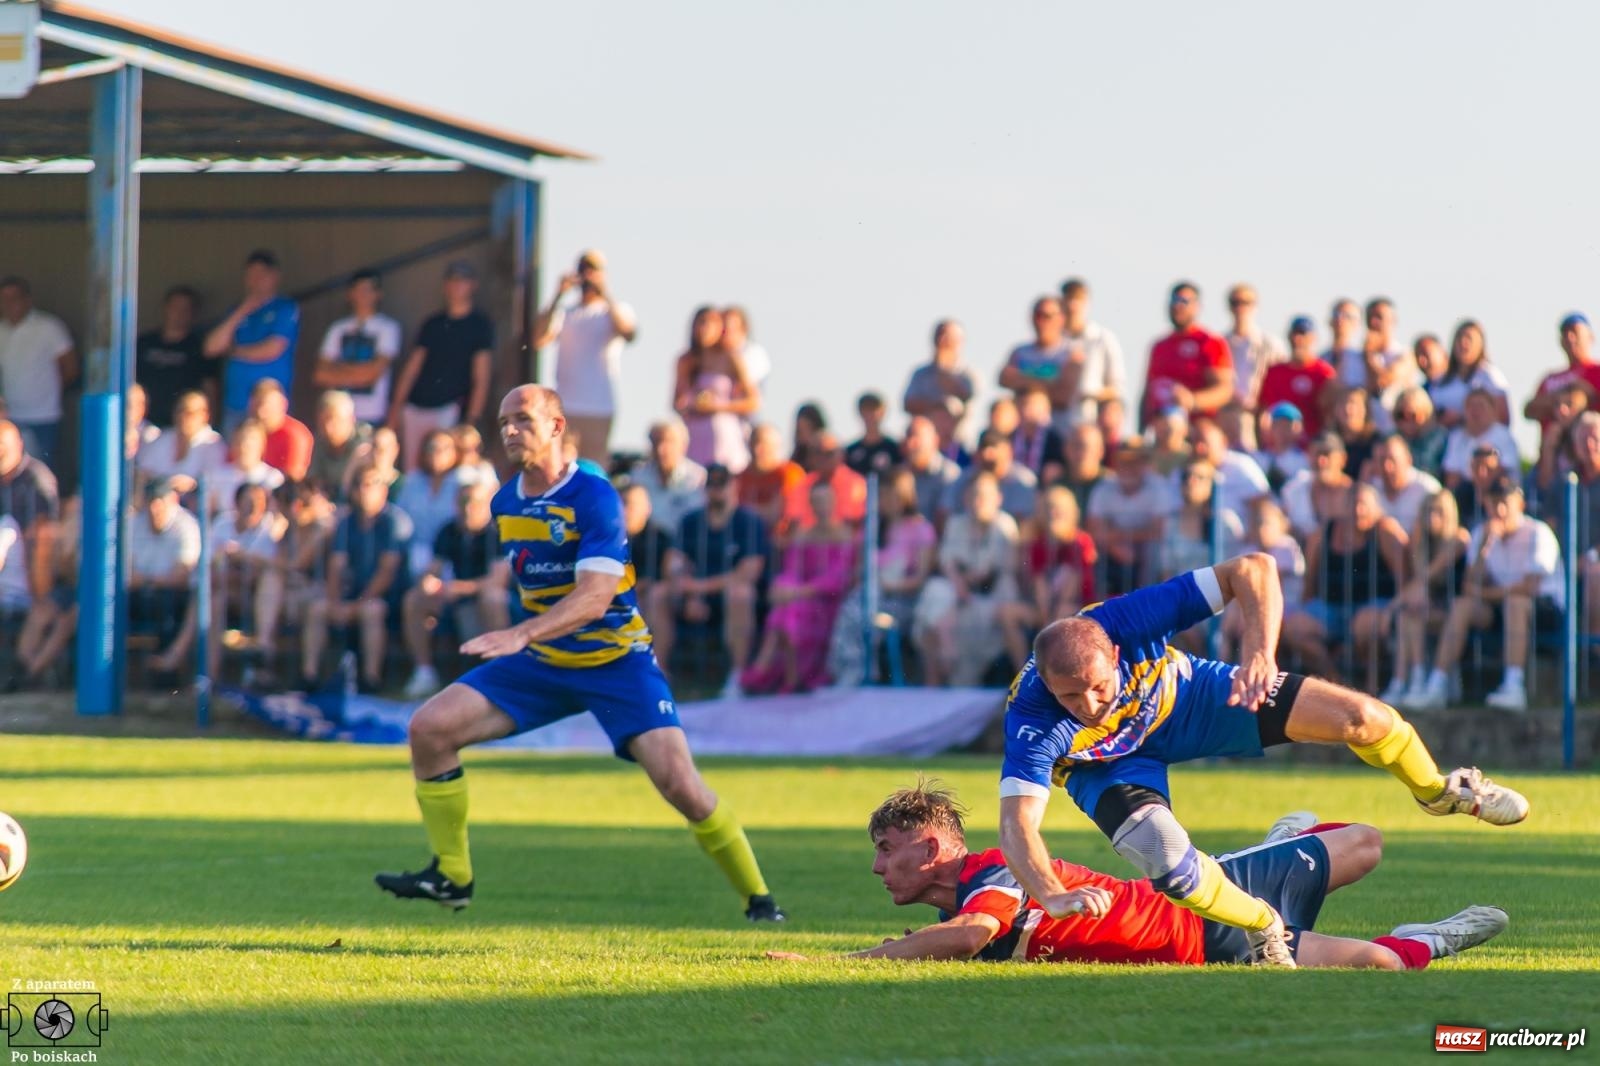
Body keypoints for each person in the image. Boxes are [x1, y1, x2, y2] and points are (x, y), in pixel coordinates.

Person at [374, 384, 785, 922]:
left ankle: (760, 901)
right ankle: (452, 876)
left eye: (523, 419)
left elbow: (595, 597)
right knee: (429, 729)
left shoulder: (592, 494)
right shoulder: (505, 500)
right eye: (503, 422)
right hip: (545, 662)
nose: (510, 430)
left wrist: (521, 634)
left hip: (616, 662)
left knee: (680, 786)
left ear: (557, 426)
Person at [997, 553, 1528, 968]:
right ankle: (1263, 924)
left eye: (1098, 686)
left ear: (1115, 653)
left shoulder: (1125, 620)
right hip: (1105, 767)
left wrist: (1259, 652)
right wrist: (1050, 893)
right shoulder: (1032, 718)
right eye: (1071, 698)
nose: (1091, 706)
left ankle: (1439, 792)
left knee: (1365, 718)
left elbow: (1253, 568)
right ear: (1047, 685)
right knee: (1170, 867)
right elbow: (1017, 824)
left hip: (1185, 703)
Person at [767, 781, 1507, 969]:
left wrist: (851, 959)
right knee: (1379, 962)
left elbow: (974, 935)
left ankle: (1281, 841)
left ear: (930, 849)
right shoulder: (953, 906)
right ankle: (1433, 939)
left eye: (886, 849)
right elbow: (956, 937)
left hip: (1214, 902)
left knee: (1367, 842)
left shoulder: (993, 870)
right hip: (1215, 946)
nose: (874, 866)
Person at [1409, 476, 1564, 712]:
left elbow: (1530, 588)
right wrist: (1484, 546)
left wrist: (1487, 593)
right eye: (1494, 502)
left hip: (1544, 611)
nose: (1499, 509)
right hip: (1501, 606)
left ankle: (1514, 687)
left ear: (1520, 504)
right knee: (1462, 606)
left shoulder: (1538, 532)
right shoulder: (1482, 533)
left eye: (1505, 502)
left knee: (1516, 602)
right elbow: (1469, 585)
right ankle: (1436, 686)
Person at [652, 464, 768, 695]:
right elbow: (672, 564)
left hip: (729, 598)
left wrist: (699, 588)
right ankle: (659, 675)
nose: (717, 490)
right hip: (691, 595)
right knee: (658, 594)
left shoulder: (748, 521)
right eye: (711, 485)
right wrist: (690, 596)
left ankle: (737, 677)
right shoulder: (691, 521)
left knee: (740, 593)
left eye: (722, 484)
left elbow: (748, 572)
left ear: (734, 486)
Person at [301, 463, 413, 692]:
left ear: (383, 490)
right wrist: (335, 603)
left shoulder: (394, 522)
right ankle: (309, 677)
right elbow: (336, 566)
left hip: (387, 598)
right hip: (351, 596)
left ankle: (371, 679)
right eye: (361, 485)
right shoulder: (346, 522)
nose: (365, 490)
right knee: (318, 609)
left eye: (372, 485)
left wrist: (357, 604)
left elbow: (387, 572)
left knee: (372, 610)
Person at [1282, 483, 1407, 688]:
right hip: (1329, 608)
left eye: (1364, 505)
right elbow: (1309, 582)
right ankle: (1336, 684)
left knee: (1365, 625)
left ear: (1377, 507)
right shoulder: (1323, 533)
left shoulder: (1386, 531)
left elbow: (1404, 580)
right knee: (1295, 629)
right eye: (1352, 504)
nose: (1358, 511)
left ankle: (1371, 687)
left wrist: (1392, 611)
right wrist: (1306, 611)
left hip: (1375, 606)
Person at [740, 481, 856, 695]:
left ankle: (764, 668)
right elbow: (791, 571)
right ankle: (791, 677)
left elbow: (836, 581)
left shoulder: (846, 537)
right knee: (787, 610)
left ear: (834, 502)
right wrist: (783, 588)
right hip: (801, 600)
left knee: (788, 610)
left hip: (828, 604)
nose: (821, 506)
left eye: (825, 501)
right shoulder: (804, 536)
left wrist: (797, 592)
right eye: (817, 501)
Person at [400, 479, 510, 699]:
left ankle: (502, 675)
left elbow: (498, 581)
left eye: (474, 502)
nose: (467, 508)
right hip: (456, 601)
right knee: (415, 598)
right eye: (463, 502)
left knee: (492, 598)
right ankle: (424, 672)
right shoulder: (449, 530)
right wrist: (428, 581)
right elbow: (434, 568)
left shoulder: (498, 531)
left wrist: (459, 588)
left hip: (495, 605)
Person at [914, 472, 1018, 687]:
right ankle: (942, 655)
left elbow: (990, 574)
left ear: (997, 498)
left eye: (983, 496)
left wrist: (964, 582)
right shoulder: (957, 523)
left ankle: (947, 668)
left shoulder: (1004, 526)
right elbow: (947, 560)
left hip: (991, 596)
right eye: (973, 495)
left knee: (951, 619)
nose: (977, 501)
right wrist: (959, 583)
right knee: (936, 591)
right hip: (960, 595)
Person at [532, 250, 637, 463]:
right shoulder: (565, 313)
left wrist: (605, 292)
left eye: (593, 270)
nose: (588, 276)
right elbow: (538, 339)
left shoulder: (614, 311)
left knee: (593, 468)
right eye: (584, 270)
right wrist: (557, 295)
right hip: (566, 405)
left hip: (598, 406)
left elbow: (629, 333)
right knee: (559, 465)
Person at [388, 261, 493, 471]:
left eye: (462, 281)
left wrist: (471, 421)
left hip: (450, 409)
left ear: (473, 285)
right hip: (416, 407)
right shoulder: (432, 323)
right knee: (413, 470)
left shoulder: (480, 325)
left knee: (445, 469)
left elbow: (481, 376)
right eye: (453, 280)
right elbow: (412, 369)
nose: (457, 286)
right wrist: (395, 409)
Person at [999, 486, 1095, 672]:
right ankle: (1025, 673)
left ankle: (1050, 673)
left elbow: (1072, 586)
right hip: (1047, 608)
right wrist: (1045, 615)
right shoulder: (1039, 544)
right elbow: (1039, 583)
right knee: (1007, 613)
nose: (1053, 513)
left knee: (1060, 615)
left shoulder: (1080, 542)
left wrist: (1051, 616)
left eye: (1058, 508)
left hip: (1077, 606)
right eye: (1049, 507)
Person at [1387, 489, 1470, 707]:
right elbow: (1420, 587)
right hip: (1432, 608)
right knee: (1409, 615)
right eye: (1428, 512)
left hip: (1457, 610)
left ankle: (1417, 679)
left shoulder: (1459, 539)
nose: (1432, 517)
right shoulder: (1423, 545)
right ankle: (1406, 680)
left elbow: (1426, 577)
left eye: (1439, 512)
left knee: (1409, 610)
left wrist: (1394, 605)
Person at [204, 250, 300, 434]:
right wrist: (242, 310)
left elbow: (273, 348)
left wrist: (235, 352)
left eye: (262, 275)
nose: (256, 280)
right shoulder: (237, 310)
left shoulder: (284, 308)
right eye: (251, 275)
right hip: (236, 402)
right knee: (233, 459)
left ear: (274, 277)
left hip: (269, 407)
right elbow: (211, 347)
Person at [253, 479, 336, 671]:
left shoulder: (323, 528)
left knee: (314, 608)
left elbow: (297, 564)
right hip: (292, 594)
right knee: (271, 578)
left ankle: (309, 674)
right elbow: (280, 561)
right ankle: (263, 648)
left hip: (320, 593)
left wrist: (253, 558)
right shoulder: (289, 529)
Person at [128, 476, 203, 681]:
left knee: (168, 605)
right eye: (151, 501)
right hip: (140, 593)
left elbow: (180, 577)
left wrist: (146, 581)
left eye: (160, 501)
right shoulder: (134, 524)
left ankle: (166, 677)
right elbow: (127, 575)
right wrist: (150, 581)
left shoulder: (186, 526)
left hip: (173, 595)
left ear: (172, 501)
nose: (155, 508)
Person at [0, 276, 78, 470]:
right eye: (4, 299)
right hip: (10, 418)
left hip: (43, 417)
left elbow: (70, 369)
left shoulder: (49, 327)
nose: (9, 304)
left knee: (39, 473)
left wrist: (47, 395)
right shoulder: (1, 330)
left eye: (14, 298)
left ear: (27, 299)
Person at [314, 270, 403, 428]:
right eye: (358, 290)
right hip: (337, 416)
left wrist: (338, 368)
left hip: (372, 415)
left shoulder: (387, 328)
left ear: (378, 294)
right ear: (350, 294)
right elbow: (320, 374)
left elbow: (373, 374)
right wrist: (359, 373)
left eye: (368, 290)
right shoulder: (337, 328)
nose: (363, 295)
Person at [673, 306, 757, 474]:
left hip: (723, 434)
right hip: (695, 433)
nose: (704, 330)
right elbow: (676, 402)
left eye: (710, 324)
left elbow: (753, 401)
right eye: (700, 324)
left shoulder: (730, 358)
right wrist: (691, 404)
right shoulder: (687, 360)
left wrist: (717, 406)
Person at [1140, 282, 1233, 429]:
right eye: (1174, 301)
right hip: (1160, 429)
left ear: (1197, 306)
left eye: (1184, 301)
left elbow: (1224, 390)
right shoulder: (1159, 346)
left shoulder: (1209, 342)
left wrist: (1193, 401)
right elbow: (1147, 392)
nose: (1177, 306)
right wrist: (1142, 429)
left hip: (1197, 428)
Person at [1085, 442, 1174, 595]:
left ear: (1145, 464)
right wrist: (1117, 547)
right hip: (1111, 552)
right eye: (1123, 461)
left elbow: (1159, 530)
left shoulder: (1159, 488)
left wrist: (1122, 538)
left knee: (1154, 550)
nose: (1128, 467)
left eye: (1134, 462)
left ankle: (1148, 600)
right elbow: (1094, 530)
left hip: (1144, 554)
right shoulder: (1103, 489)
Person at [135, 285, 215, 427]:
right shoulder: (145, 342)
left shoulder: (198, 347)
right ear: (166, 308)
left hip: (181, 425)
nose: (179, 313)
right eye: (175, 307)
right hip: (143, 422)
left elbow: (210, 387)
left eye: (185, 309)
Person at [1057, 278, 1125, 434]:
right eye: (1068, 299)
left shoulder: (1102, 338)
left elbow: (1117, 388)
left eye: (1078, 299)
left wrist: (1089, 392)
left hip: (1091, 423)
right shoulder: (1055, 341)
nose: (1072, 306)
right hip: (1056, 423)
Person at [999, 297, 1077, 427]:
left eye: (1047, 316)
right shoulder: (1020, 351)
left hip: (1058, 430)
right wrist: (1048, 384)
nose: (1041, 321)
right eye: (1037, 315)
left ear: (1061, 319)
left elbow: (1063, 396)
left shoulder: (1071, 353)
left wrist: (1021, 380)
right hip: (1022, 430)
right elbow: (1004, 378)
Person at [1257, 316, 1337, 439]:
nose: (1297, 339)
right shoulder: (1275, 372)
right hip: (1278, 444)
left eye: (1303, 334)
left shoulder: (1323, 373)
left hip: (1311, 443)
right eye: (1294, 334)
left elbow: (1328, 412)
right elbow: (1265, 409)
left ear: (1313, 338)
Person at [135, 390, 226, 497]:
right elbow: (143, 470)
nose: (182, 417)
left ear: (204, 415)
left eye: (189, 413)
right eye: (179, 411)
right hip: (158, 502)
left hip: (194, 507)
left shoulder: (213, 443)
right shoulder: (164, 438)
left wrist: (192, 485)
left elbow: (213, 482)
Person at [941, 429, 1037, 524]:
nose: (987, 456)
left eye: (994, 448)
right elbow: (945, 512)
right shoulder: (964, 478)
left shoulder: (1023, 480)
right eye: (983, 449)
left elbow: (1027, 524)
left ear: (1008, 452)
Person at [630, 418, 707, 536]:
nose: (661, 449)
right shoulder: (639, 477)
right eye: (656, 442)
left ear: (683, 445)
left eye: (668, 442)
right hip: (646, 543)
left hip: (686, 542)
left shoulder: (698, 478)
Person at [1525, 312, 1600, 432]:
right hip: (1554, 447)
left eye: (1575, 332)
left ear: (1590, 337)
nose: (1570, 337)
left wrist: (1591, 396)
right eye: (1565, 333)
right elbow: (1529, 410)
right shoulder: (1550, 378)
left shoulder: (1596, 372)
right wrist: (1564, 395)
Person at [1429, 320, 1509, 428]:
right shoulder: (1440, 381)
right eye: (1459, 338)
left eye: (1469, 338)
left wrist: (1461, 418)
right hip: (1448, 441)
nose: (1463, 343)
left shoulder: (1490, 376)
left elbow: (1503, 418)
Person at [1223, 283, 1285, 411]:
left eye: (1246, 303)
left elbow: (1281, 379)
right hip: (1227, 410)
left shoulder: (1270, 344)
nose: (1240, 308)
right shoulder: (1221, 343)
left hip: (1260, 410)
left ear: (1255, 306)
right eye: (1235, 303)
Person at [1441, 389, 1520, 489]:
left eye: (1480, 406)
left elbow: (1506, 471)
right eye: (1471, 406)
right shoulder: (1457, 437)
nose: (1475, 411)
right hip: (1467, 492)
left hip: (1496, 491)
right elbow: (1452, 475)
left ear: (1493, 410)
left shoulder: (1504, 436)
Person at [207, 418, 286, 517]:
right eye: (239, 441)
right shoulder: (217, 475)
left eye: (250, 443)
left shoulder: (273, 478)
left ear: (262, 445)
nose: (243, 447)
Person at [903, 320, 976, 424]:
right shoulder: (920, 374)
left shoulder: (969, 375)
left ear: (960, 341)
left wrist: (942, 369)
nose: (941, 341)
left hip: (959, 437)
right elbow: (909, 404)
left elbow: (965, 397)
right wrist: (936, 407)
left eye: (947, 337)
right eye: (938, 336)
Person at [306, 390, 372, 503]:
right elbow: (313, 481)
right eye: (324, 421)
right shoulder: (318, 442)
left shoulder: (364, 446)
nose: (328, 427)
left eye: (334, 420)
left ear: (351, 420)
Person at [737, 423, 805, 529]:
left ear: (776, 447)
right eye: (754, 443)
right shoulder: (739, 479)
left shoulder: (790, 473)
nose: (757, 450)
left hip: (782, 541)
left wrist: (747, 511)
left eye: (764, 445)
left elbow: (781, 512)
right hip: (747, 539)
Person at [1369, 433, 1443, 531]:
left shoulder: (1428, 489)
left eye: (1392, 460)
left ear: (1408, 460)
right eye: (1381, 460)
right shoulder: (1372, 489)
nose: (1387, 467)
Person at [901, 415, 960, 526]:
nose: (911, 444)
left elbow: (945, 518)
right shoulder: (900, 474)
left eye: (916, 437)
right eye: (908, 436)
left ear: (935, 441)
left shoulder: (950, 474)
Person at [1253, 403, 1311, 493]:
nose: (1282, 430)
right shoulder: (1259, 458)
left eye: (1288, 426)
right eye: (1278, 425)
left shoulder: (1304, 460)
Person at [1393, 386, 1448, 479]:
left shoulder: (1439, 438)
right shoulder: (1391, 439)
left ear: (1426, 414)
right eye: (1401, 415)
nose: (1407, 421)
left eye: (1413, 415)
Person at [845, 392, 902, 476]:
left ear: (883, 412)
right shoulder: (851, 451)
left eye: (874, 409)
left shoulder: (894, 448)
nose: (870, 415)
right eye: (866, 409)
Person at [720, 306, 769, 401]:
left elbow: (746, 389)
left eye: (728, 328)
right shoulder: (716, 354)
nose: (723, 333)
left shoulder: (754, 353)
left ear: (743, 329)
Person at [1332, 386, 1381, 481]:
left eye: (1353, 404)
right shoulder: (1329, 439)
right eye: (1343, 403)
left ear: (1365, 410)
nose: (1348, 409)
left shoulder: (1376, 442)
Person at [1058, 423, 1106, 518]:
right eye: (1075, 446)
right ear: (1065, 450)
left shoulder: (1111, 486)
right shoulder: (1058, 486)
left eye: (1085, 447)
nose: (1080, 453)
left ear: (1100, 451)